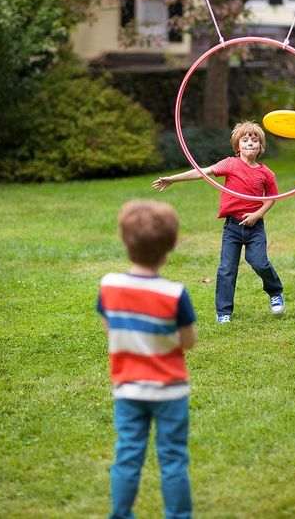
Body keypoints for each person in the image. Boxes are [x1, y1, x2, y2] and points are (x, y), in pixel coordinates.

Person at [96, 199, 197, 519]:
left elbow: (109, 327)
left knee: (127, 455)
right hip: (170, 391)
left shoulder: (108, 286)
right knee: (173, 459)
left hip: (128, 389)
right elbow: (188, 342)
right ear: (170, 247)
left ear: (126, 242)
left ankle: (121, 514)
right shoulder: (175, 293)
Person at [153, 121, 284, 323]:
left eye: (255, 140)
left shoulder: (266, 173)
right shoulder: (230, 164)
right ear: (237, 147)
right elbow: (201, 172)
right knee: (226, 269)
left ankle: (275, 292)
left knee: (259, 262)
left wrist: (257, 214)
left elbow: (272, 197)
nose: (250, 143)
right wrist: (173, 178)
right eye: (245, 139)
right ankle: (224, 312)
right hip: (232, 227)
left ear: (261, 147)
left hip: (255, 227)